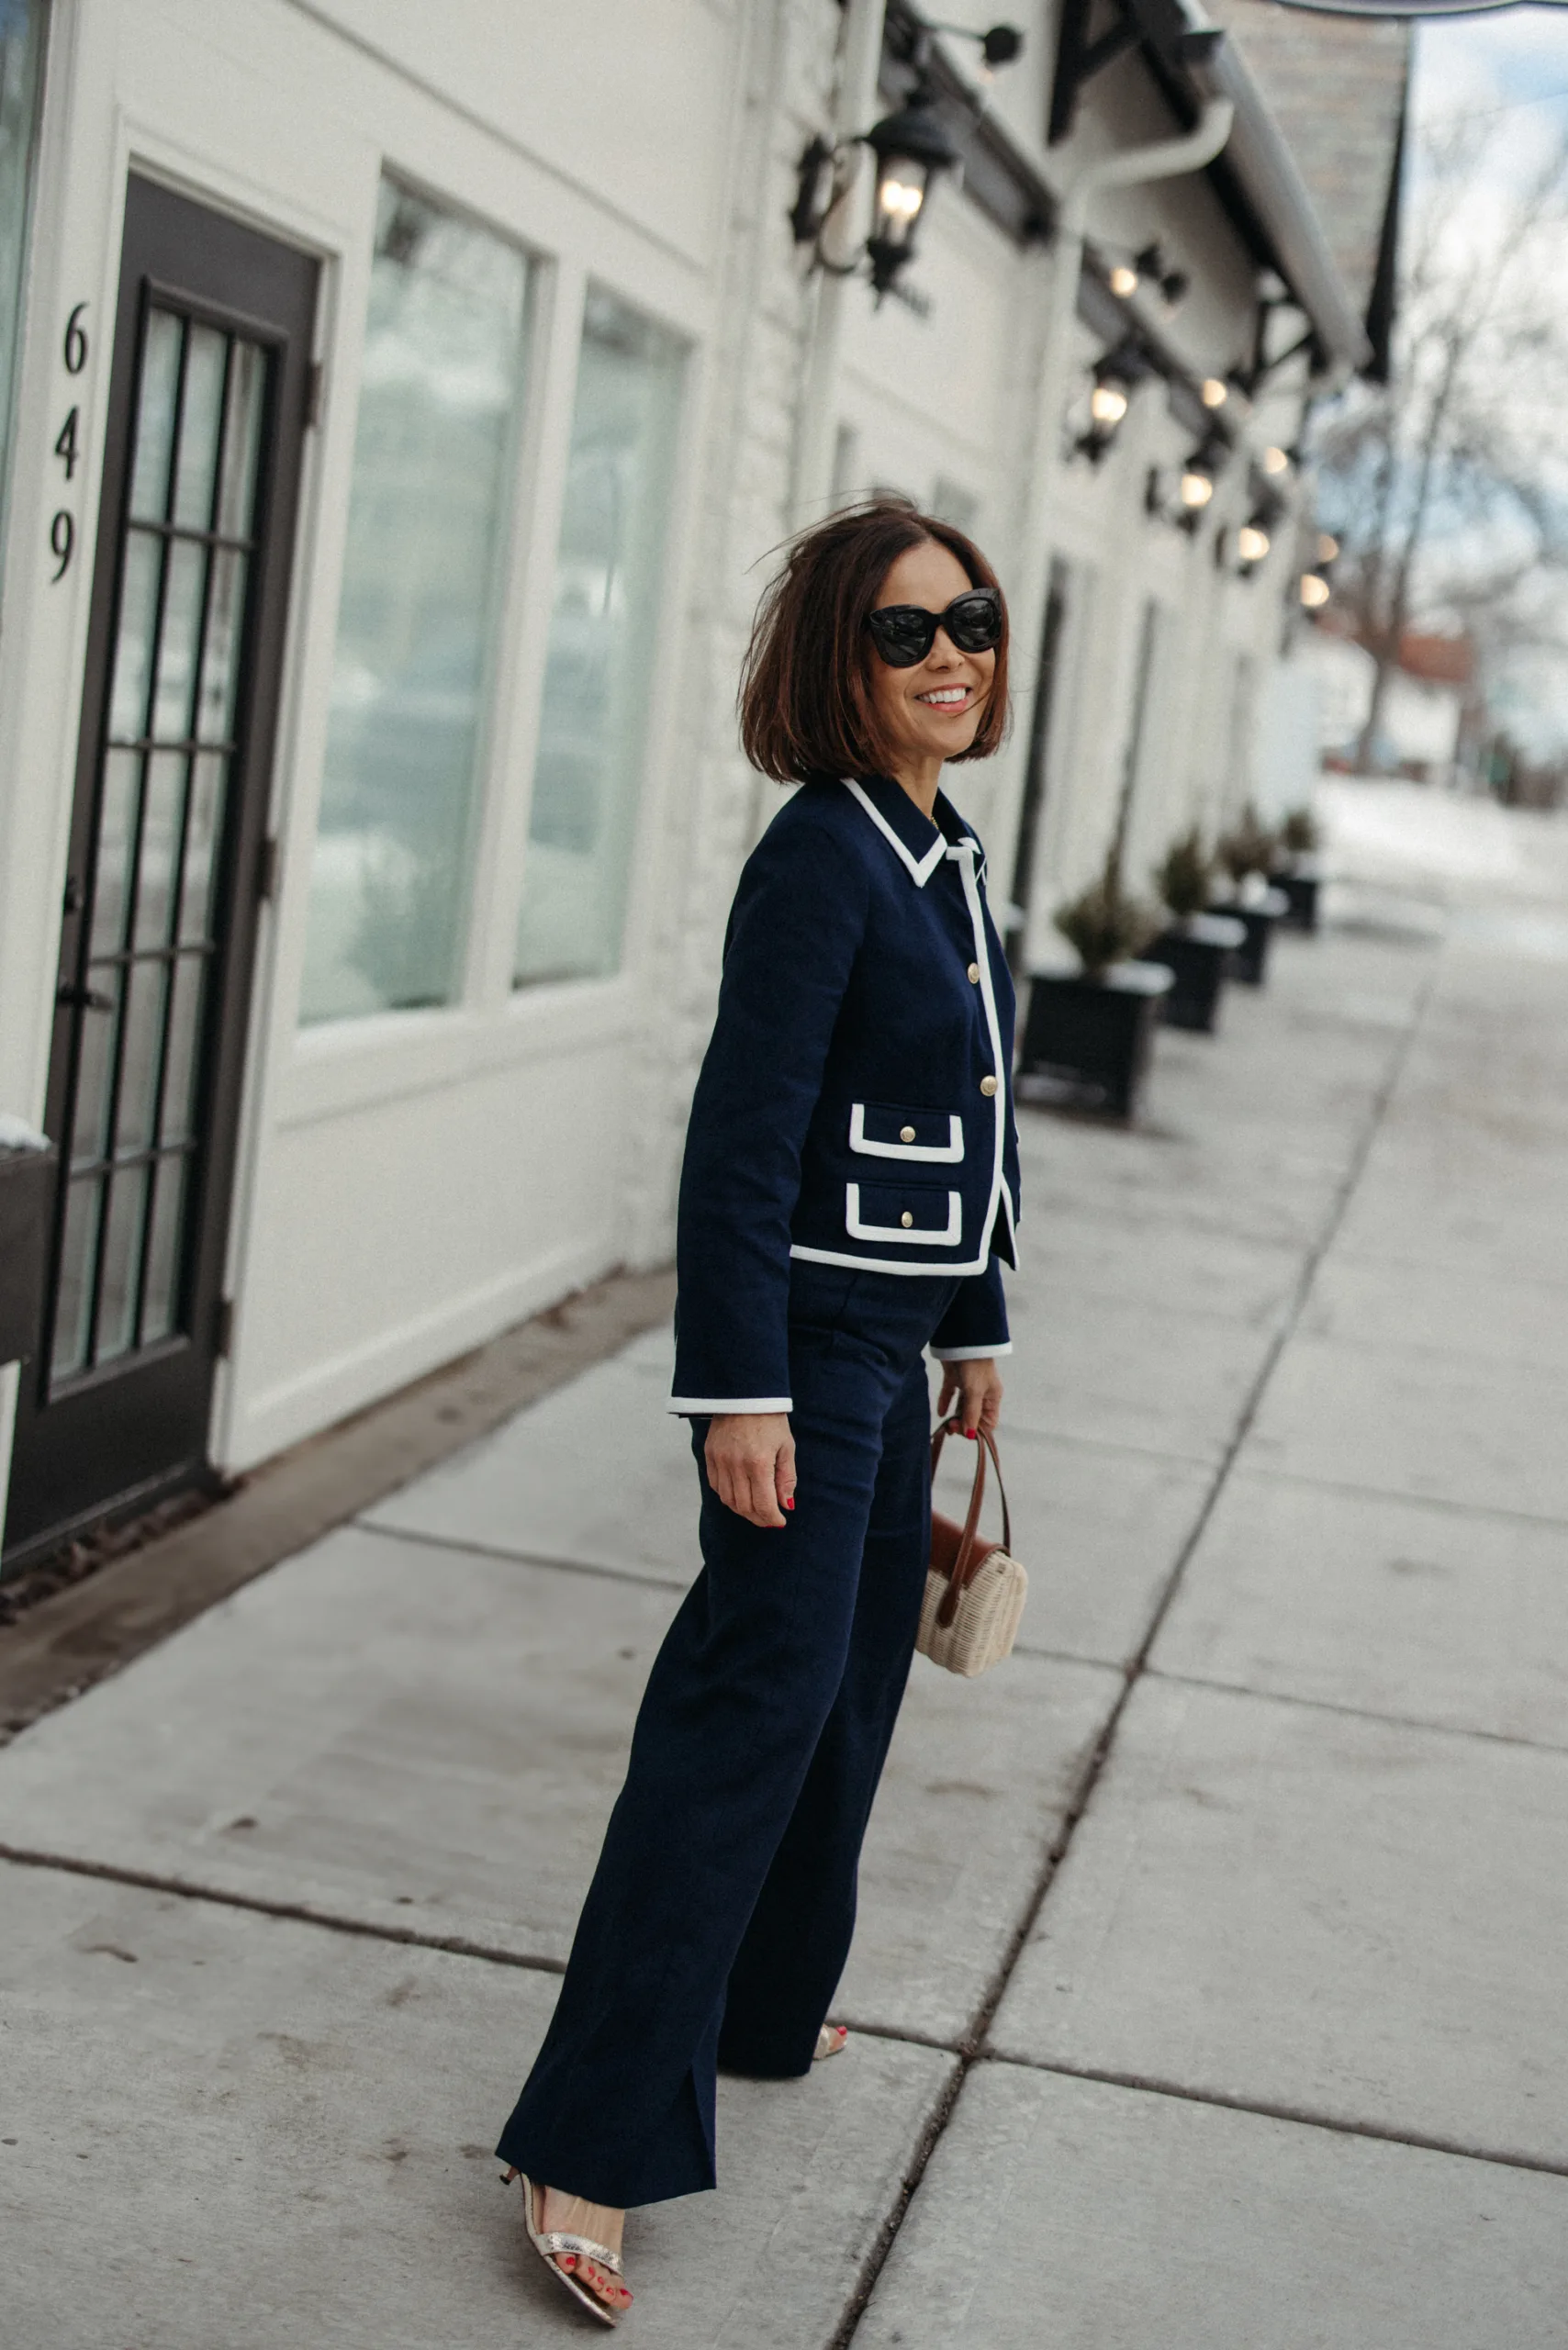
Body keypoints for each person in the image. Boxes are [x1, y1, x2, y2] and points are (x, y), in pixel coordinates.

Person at [494, 497, 1019, 2325]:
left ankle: (768, 1998)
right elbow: (738, 1144)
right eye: (903, 632)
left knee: (856, 1678)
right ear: (833, 663)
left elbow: (966, 1114)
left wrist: (981, 1320)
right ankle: (588, 2130)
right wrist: (736, 1387)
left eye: (969, 618)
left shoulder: (935, 853)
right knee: (750, 1704)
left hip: (895, 1341)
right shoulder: (819, 859)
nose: (948, 652)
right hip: (801, 1347)